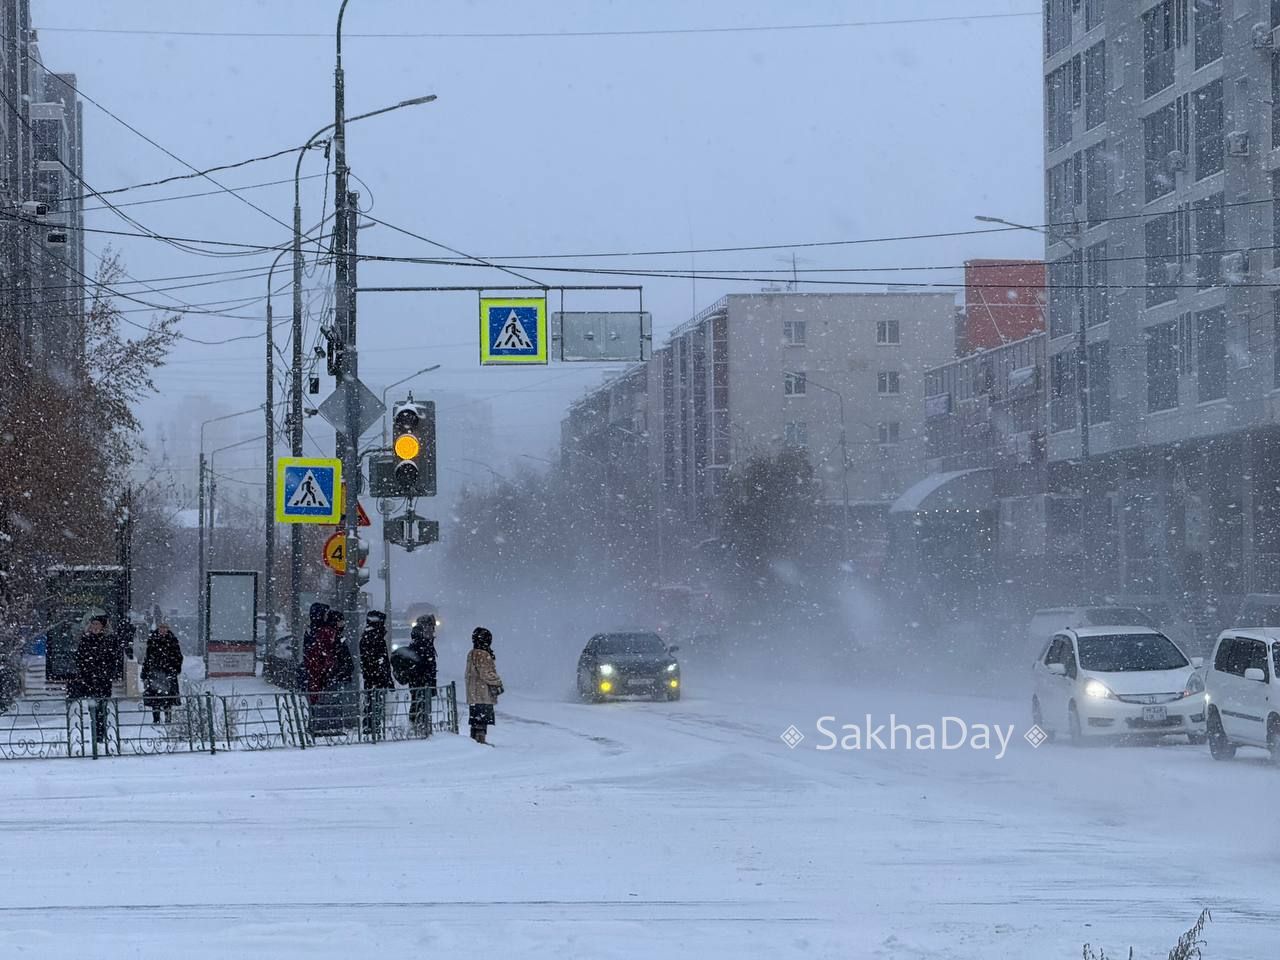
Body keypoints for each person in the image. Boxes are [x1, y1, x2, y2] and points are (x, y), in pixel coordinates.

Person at [72, 615, 117, 748]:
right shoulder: (86, 640)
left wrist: (106, 672)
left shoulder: (108, 640)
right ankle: (93, 737)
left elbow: (112, 660)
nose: (95, 627)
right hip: (89, 680)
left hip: (103, 681)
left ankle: (100, 737)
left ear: (102, 626)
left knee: (101, 709)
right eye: (93, 624)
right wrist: (85, 671)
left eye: (97, 624)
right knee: (91, 708)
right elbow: (80, 659)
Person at [465, 626, 503, 744]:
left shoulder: (472, 653)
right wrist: (497, 681)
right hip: (482, 692)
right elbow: (486, 673)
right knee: (482, 719)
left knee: (476, 719)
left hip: (474, 692)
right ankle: (480, 741)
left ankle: (474, 741)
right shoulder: (483, 654)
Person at [359, 610, 394, 739]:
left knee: (373, 704)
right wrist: (384, 676)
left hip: (374, 677)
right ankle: (372, 728)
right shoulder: (374, 638)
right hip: (375, 678)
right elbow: (379, 660)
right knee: (374, 704)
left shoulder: (371, 636)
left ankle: (372, 727)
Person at [141, 623, 183, 723]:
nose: (163, 630)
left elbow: (178, 656)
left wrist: (175, 668)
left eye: (165, 628)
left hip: (168, 672)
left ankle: (168, 718)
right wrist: (145, 672)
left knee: (168, 697)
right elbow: (148, 657)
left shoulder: (172, 641)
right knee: (155, 697)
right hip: (155, 672)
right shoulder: (153, 641)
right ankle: (156, 719)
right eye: (161, 628)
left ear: (168, 629)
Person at [404, 614, 439, 734]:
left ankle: (417, 726)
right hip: (421, 681)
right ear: (425, 627)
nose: (433, 630)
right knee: (420, 704)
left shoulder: (419, 641)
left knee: (418, 703)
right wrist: (427, 678)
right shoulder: (422, 643)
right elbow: (424, 664)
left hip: (419, 680)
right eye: (431, 627)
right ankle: (420, 728)